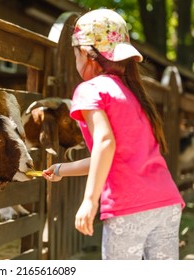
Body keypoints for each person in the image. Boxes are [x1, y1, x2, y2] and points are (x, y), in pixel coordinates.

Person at [42, 8, 185, 260]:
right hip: (166, 202)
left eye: (76, 54)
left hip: (129, 206)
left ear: (85, 53)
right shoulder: (133, 95)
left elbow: (105, 143)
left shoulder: (90, 89)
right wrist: (62, 169)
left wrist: (89, 200)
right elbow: (109, 156)